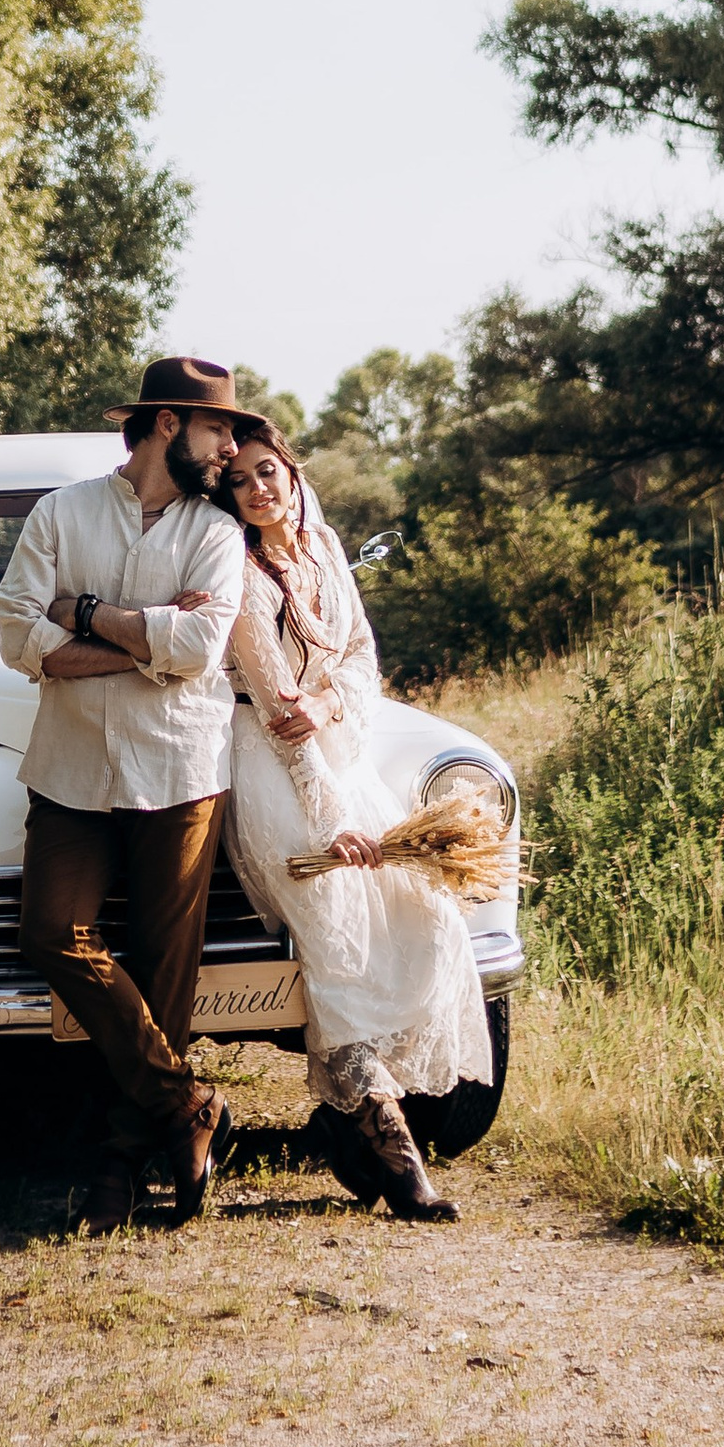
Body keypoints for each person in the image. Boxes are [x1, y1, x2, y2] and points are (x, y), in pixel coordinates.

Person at [0, 356, 257, 1235]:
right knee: (48, 932)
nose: (231, 446)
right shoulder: (61, 512)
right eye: (219, 428)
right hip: (69, 768)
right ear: (169, 425)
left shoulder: (215, 532)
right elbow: (14, 637)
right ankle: (187, 1103)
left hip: (180, 770)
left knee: (165, 964)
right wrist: (146, 644)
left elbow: (203, 644)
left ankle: (117, 1162)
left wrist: (85, 614)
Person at [213, 426, 488, 1223]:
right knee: (336, 934)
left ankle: (349, 1110)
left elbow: (361, 659)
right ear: (229, 500)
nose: (259, 490)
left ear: (293, 475)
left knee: (426, 910)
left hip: (343, 752)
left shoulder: (326, 546)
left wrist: (333, 703)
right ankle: (393, 1149)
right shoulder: (236, 570)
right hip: (270, 769)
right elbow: (276, 717)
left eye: (268, 473)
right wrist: (333, 827)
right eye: (240, 484)